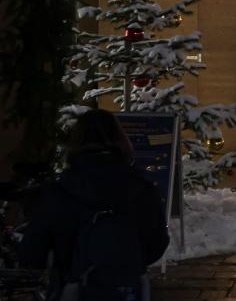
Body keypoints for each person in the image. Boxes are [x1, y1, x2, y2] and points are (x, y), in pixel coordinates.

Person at [19, 109, 170, 300]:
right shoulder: (142, 188)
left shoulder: (59, 191)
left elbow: (32, 253)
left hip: (73, 290)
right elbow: (157, 243)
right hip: (126, 291)